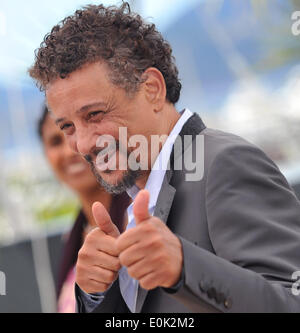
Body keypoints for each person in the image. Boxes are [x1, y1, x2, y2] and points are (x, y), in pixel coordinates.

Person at [29, 3, 300, 313]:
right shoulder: (135, 197)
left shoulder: (224, 164)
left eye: (95, 114)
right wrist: (92, 296)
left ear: (153, 90)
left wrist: (184, 266)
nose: (84, 144)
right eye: (69, 127)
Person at [38, 106, 130, 313]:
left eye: (76, 134)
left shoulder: (137, 218)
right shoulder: (72, 237)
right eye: (55, 142)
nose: (69, 151)